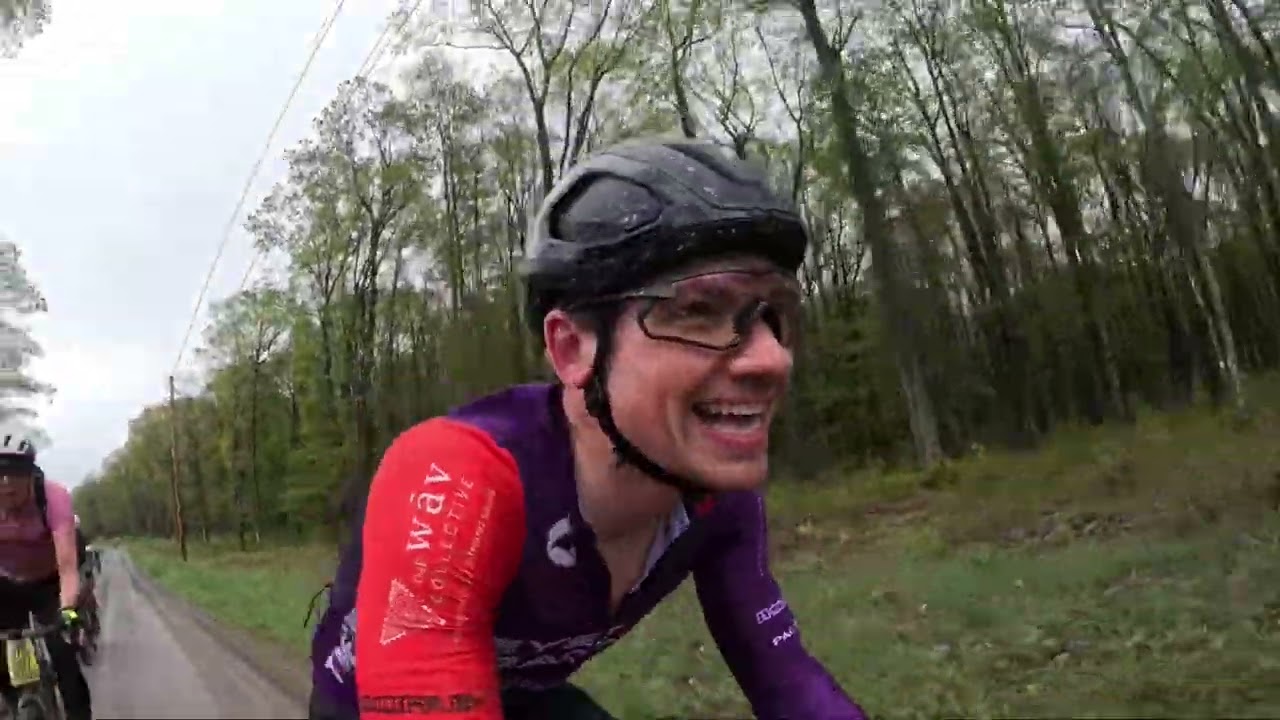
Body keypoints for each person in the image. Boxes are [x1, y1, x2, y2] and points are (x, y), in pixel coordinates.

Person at [307, 138, 866, 720]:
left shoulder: (720, 501)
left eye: (775, 316)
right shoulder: (456, 473)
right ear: (573, 349)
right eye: (698, 311)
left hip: (529, 699)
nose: (772, 358)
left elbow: (787, 681)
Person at [0, 426, 93, 720]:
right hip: (6, 584)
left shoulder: (53, 497)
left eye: (15, 472)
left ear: (31, 473)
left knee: (64, 657)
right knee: (7, 657)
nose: (6, 482)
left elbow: (67, 566)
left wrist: (68, 611)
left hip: (49, 583)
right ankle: (21, 698)